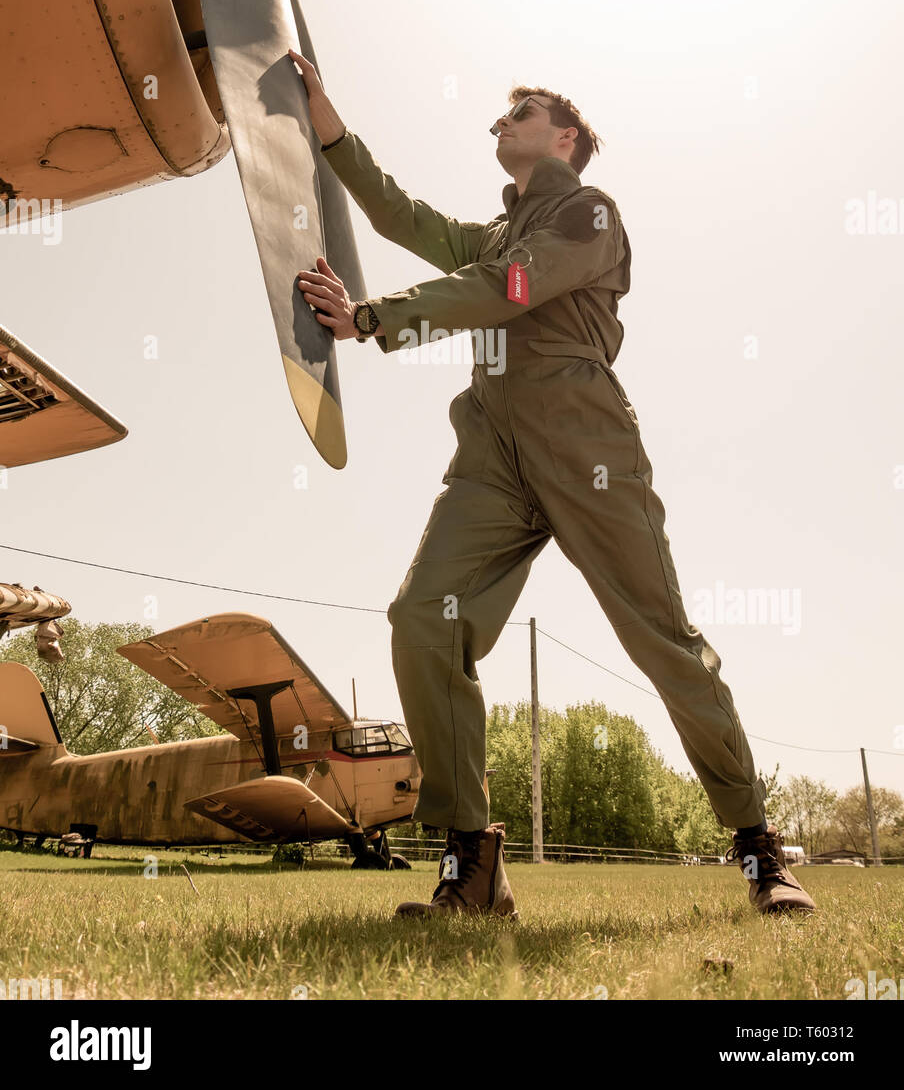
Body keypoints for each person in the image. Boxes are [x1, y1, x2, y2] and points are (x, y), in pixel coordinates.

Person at [287, 49, 816, 921]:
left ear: (565, 135)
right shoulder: (491, 233)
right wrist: (328, 123)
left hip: (585, 444)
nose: (500, 123)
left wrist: (377, 317)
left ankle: (759, 848)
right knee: (424, 617)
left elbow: (510, 288)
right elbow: (396, 212)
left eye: (520, 112)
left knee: (662, 641)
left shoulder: (588, 212)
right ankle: (472, 861)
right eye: (497, 116)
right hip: (493, 453)